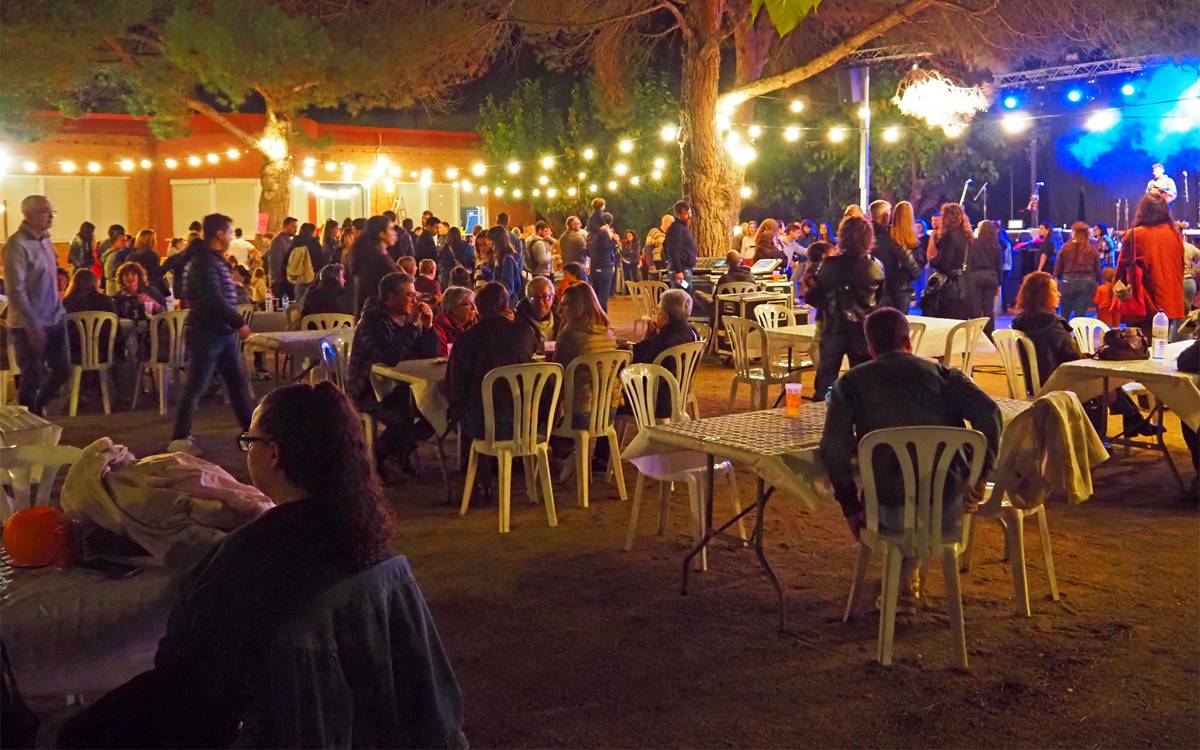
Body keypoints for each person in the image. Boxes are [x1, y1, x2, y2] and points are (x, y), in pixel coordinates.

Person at [58, 382, 466, 749]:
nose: (246, 449)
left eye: (248, 440)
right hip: (350, 723)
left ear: (273, 453)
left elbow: (188, 668)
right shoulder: (367, 535)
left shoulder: (253, 551)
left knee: (78, 734)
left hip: (253, 723)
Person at [820, 307, 1001, 610]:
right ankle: (906, 577)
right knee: (927, 474)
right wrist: (980, 477)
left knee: (895, 478)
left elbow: (833, 447)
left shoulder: (850, 384)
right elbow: (990, 414)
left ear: (870, 348)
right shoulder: (945, 376)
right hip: (949, 506)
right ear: (909, 343)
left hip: (885, 508)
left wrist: (850, 507)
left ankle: (902, 580)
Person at [1012, 272, 1158, 437]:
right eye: (1054, 291)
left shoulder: (1021, 320)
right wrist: (1092, 357)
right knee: (1104, 380)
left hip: (1037, 381)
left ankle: (1133, 420)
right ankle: (1109, 433)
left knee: (1103, 380)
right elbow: (1071, 356)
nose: (1059, 294)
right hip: (1057, 381)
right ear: (1041, 295)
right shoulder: (1051, 323)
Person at [168, 214, 255, 455]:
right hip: (207, 331)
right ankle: (179, 437)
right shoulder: (205, 262)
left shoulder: (210, 260)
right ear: (219, 234)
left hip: (219, 331)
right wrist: (238, 322)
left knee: (235, 382)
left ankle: (250, 433)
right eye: (229, 232)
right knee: (197, 385)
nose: (231, 237)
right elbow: (212, 298)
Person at [347, 272, 438, 479]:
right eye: (409, 295)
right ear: (390, 297)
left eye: (415, 295)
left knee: (441, 409)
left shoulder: (407, 319)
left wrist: (428, 326)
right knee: (402, 417)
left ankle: (393, 453)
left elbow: (428, 355)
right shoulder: (372, 322)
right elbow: (389, 357)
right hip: (368, 389)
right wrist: (412, 326)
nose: (414, 300)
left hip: (401, 386)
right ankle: (380, 457)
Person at [3, 195, 71, 416]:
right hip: (27, 324)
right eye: (45, 211)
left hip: (54, 317)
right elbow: (16, 290)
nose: (51, 215)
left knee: (63, 370)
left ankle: (36, 410)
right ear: (29, 214)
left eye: (52, 211)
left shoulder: (45, 240)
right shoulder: (17, 245)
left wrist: (59, 310)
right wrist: (33, 325)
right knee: (31, 377)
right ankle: (28, 423)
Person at [446, 281, 538, 442]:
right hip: (521, 417)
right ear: (506, 306)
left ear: (478, 308)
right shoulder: (524, 333)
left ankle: (471, 463)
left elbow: (455, 385)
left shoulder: (466, 339)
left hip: (480, 421)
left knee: (462, 404)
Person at [809, 215, 884, 401]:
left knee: (826, 380)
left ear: (842, 237)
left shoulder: (829, 266)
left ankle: (822, 416)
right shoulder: (875, 267)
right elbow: (881, 299)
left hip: (833, 327)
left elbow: (813, 296)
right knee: (864, 382)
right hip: (863, 330)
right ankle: (864, 420)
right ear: (868, 238)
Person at [1117, 194, 1186, 337]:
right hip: (1171, 302)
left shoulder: (1135, 235)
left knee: (1140, 348)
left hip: (1145, 303)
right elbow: (1180, 265)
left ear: (1142, 210)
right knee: (1161, 347)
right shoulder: (1174, 234)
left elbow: (1121, 269)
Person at [552, 283, 617, 429]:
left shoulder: (569, 335)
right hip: (610, 409)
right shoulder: (608, 333)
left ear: (578, 307)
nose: (559, 310)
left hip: (581, 410)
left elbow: (556, 376)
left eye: (565, 305)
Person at [631, 288, 699, 418]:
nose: (655, 314)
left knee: (612, 399)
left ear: (665, 316)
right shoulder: (692, 332)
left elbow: (640, 363)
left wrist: (648, 337)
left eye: (658, 310)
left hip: (656, 400)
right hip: (680, 393)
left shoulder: (664, 339)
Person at [869, 201, 920, 312]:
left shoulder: (868, 233)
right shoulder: (886, 237)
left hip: (874, 287)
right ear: (885, 215)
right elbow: (908, 259)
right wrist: (914, 275)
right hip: (893, 286)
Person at [927, 203, 974, 320]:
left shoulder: (949, 236)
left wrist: (933, 261)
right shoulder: (966, 236)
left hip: (951, 290)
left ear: (949, 217)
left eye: (943, 215)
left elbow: (944, 263)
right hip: (965, 285)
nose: (941, 218)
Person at [351, 215, 401, 315]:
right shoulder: (380, 259)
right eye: (391, 229)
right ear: (382, 234)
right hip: (380, 315)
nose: (395, 233)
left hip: (367, 312)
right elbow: (398, 286)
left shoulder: (367, 255)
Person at [1053, 221, 1102, 321]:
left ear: (1074, 232)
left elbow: (1058, 267)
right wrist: (1098, 282)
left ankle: (1063, 335)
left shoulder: (1065, 247)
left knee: (1064, 314)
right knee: (1081, 314)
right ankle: (1079, 335)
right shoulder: (1092, 249)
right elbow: (1097, 268)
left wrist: (1056, 279)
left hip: (1068, 281)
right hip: (1088, 282)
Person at [966, 219, 1003, 336]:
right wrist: (999, 284)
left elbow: (969, 262)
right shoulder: (996, 245)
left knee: (976, 307)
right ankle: (989, 335)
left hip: (975, 276)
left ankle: (977, 335)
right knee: (988, 309)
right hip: (991, 277)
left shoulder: (973, 243)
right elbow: (999, 266)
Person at [586, 212, 618, 312]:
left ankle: (596, 320)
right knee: (603, 297)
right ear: (610, 222)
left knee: (595, 295)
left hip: (594, 266)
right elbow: (609, 248)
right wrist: (614, 241)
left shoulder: (591, 233)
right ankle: (603, 321)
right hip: (605, 266)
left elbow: (588, 251)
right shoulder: (605, 232)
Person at [515, 276, 560, 345]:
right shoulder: (518, 320)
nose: (541, 302)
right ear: (528, 299)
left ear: (552, 297)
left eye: (545, 297)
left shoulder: (560, 317)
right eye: (535, 298)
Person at [432, 285, 477, 356]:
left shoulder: (476, 324)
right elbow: (442, 357)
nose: (474, 308)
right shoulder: (438, 327)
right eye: (467, 304)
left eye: (474, 304)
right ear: (451, 307)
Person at [488, 225, 524, 309]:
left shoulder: (507, 259)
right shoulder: (498, 258)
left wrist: (500, 303)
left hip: (506, 304)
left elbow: (507, 287)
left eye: (490, 241)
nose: (488, 244)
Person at [664, 200, 698, 291]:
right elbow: (673, 250)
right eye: (686, 214)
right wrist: (678, 270)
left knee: (685, 294)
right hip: (681, 272)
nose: (689, 216)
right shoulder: (677, 229)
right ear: (678, 215)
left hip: (683, 270)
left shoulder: (681, 228)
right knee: (683, 297)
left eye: (690, 213)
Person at [287, 222, 323, 301]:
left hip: (297, 278)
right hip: (312, 277)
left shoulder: (295, 243)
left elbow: (287, 260)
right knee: (311, 302)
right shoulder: (314, 243)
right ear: (313, 232)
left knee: (299, 302)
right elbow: (321, 260)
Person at [127, 228, 167, 298]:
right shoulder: (152, 255)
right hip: (150, 289)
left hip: (135, 288)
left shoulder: (130, 256)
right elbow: (156, 275)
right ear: (152, 241)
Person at [266, 216, 298, 300]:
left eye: (296, 227)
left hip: (288, 281)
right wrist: (279, 280)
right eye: (293, 226)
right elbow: (276, 262)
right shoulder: (278, 241)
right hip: (280, 282)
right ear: (285, 226)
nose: (296, 229)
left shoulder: (290, 241)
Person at [100, 229, 131, 295]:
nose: (125, 243)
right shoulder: (114, 256)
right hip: (114, 289)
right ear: (114, 242)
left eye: (126, 240)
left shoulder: (119, 254)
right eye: (122, 241)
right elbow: (112, 274)